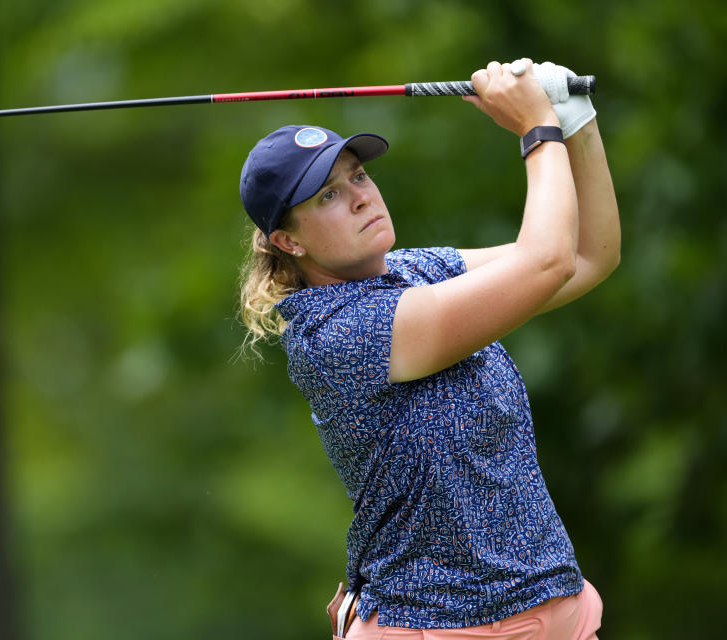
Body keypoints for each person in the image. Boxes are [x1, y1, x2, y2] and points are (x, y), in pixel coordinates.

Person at [237, 59, 619, 639]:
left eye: (358, 176)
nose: (361, 197)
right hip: (432, 627)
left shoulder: (420, 270)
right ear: (288, 241)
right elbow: (547, 261)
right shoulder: (336, 333)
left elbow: (588, 254)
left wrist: (575, 122)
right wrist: (537, 130)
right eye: (328, 196)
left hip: (556, 612)